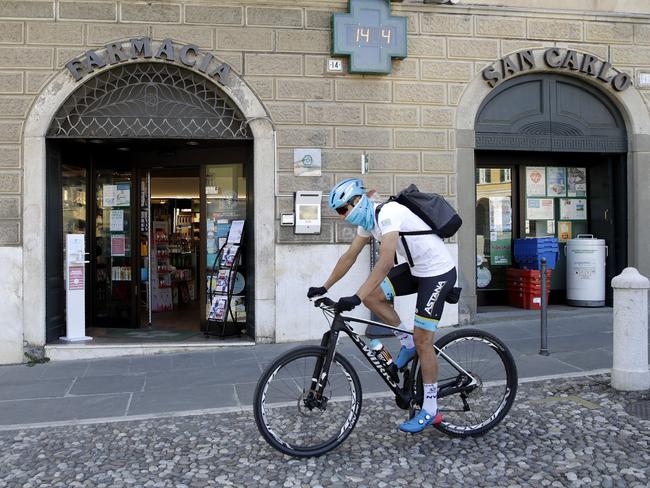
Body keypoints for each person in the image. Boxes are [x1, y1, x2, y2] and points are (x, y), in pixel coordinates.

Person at [307, 178, 458, 433]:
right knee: (372, 296)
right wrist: (325, 286)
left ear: (357, 201)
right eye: (339, 213)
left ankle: (430, 408)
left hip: (438, 273)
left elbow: (387, 260)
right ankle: (406, 344)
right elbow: (349, 256)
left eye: (344, 210)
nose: (343, 217)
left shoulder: (388, 213)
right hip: (416, 270)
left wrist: (356, 295)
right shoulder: (369, 223)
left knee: (424, 340)